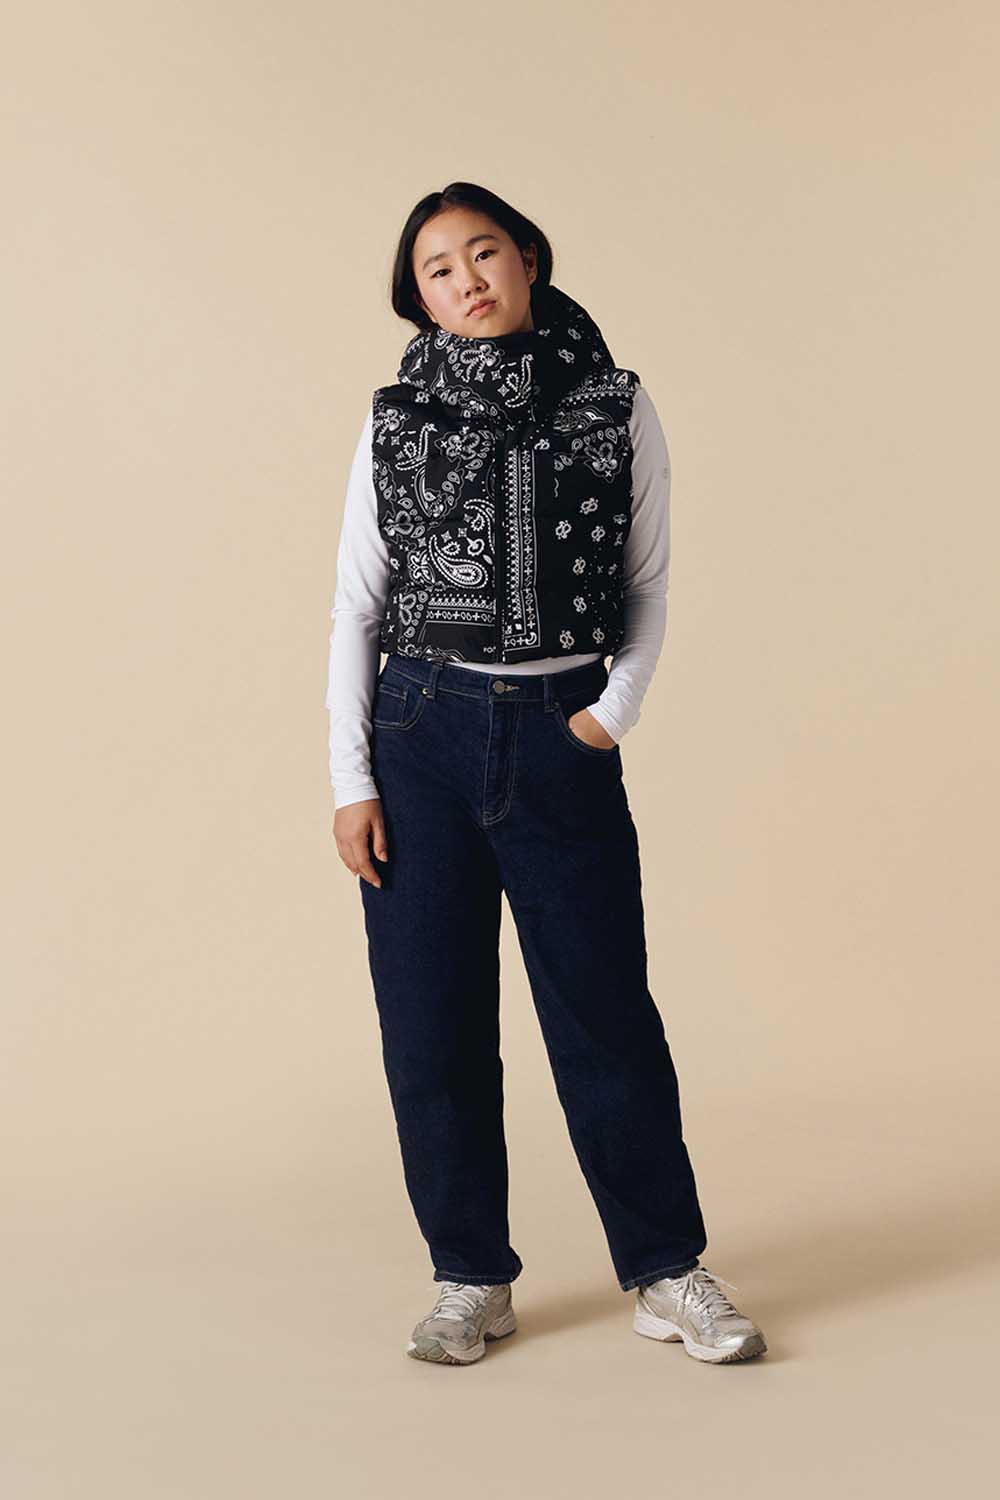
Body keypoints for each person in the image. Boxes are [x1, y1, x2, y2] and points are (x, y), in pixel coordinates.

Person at [326, 181, 767, 1366]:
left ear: (526, 257)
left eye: (484, 253)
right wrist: (350, 778)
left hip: (557, 732)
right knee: (431, 1025)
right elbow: (356, 604)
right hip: (416, 733)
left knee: (603, 1012)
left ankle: (665, 1270)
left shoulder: (613, 404)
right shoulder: (394, 419)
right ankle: (470, 1276)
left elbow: (648, 581)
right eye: (438, 268)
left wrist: (606, 718)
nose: (466, 280)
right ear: (417, 296)